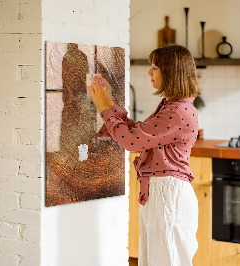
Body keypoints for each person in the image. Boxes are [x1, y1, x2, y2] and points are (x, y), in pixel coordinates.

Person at [87, 44, 200, 266]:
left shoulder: (177, 111)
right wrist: (109, 103)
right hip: (162, 194)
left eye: (155, 67)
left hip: (168, 195)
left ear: (171, 71)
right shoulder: (173, 106)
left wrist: (104, 108)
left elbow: (131, 141)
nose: (149, 72)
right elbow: (139, 133)